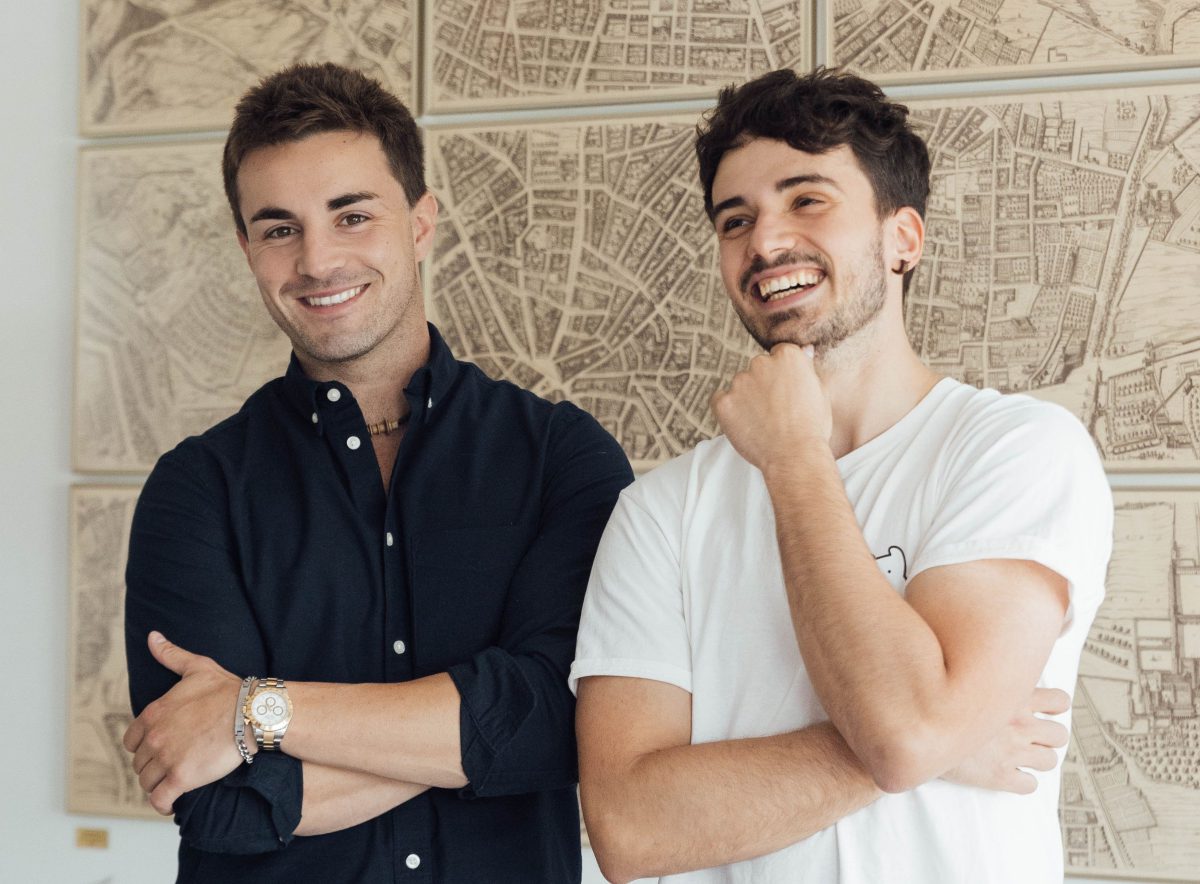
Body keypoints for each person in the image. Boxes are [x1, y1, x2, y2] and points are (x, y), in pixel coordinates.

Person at [571, 67, 1112, 883]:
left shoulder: (1017, 451)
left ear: (904, 239)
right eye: (735, 219)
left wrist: (794, 458)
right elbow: (630, 827)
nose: (764, 242)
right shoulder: (661, 510)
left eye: (807, 200)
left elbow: (909, 733)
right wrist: (939, 742)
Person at [122, 62, 632, 883]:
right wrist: (477, 736)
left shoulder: (561, 457)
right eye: (279, 229)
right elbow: (215, 801)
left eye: (352, 215)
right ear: (247, 248)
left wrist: (254, 712)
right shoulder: (196, 490)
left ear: (421, 224)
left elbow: (566, 728)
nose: (317, 260)